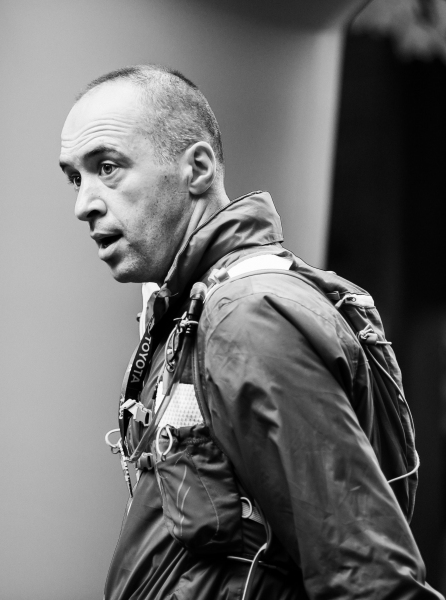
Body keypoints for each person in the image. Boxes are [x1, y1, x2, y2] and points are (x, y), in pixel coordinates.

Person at [59, 65, 442, 600]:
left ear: (197, 169)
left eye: (108, 167)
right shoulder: (197, 308)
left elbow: (366, 576)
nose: (84, 204)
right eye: (76, 178)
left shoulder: (245, 317)